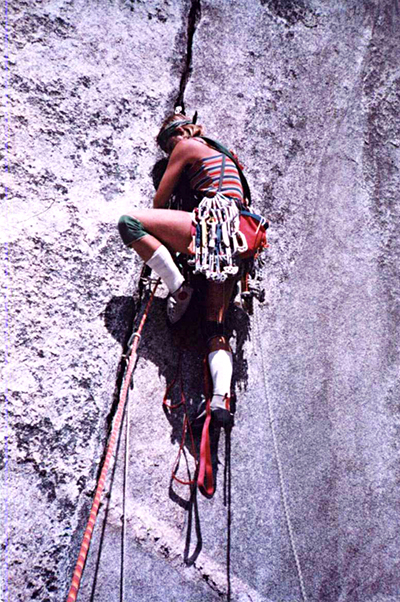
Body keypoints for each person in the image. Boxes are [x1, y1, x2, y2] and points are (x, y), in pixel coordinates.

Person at [118, 112, 250, 426]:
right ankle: (220, 399)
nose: (168, 153)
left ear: (176, 134)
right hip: (238, 238)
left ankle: (179, 288)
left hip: (211, 224)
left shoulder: (187, 145)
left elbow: (160, 201)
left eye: (167, 146)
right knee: (215, 330)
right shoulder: (225, 157)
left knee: (130, 223)